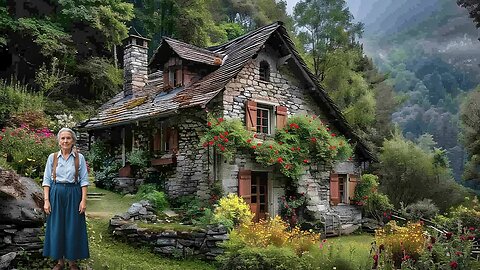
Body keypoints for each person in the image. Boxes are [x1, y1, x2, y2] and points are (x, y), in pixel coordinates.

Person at [42, 128, 89, 270]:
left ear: (73, 141)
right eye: (62, 138)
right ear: (59, 141)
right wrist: (46, 200)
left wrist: (83, 200)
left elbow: (84, 180)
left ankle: (72, 262)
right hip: (56, 193)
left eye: (68, 138)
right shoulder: (53, 157)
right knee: (57, 227)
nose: (65, 141)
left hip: (74, 193)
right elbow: (46, 180)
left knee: (73, 227)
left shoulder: (79, 158)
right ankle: (59, 262)